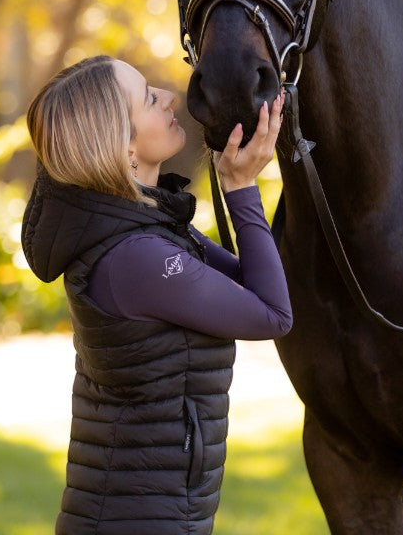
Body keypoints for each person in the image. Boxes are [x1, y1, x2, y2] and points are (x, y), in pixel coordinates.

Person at [20, 54, 291, 535]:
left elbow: (259, 286)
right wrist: (240, 186)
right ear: (123, 147)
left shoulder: (141, 230)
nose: (169, 97)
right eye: (148, 98)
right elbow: (271, 314)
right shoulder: (137, 257)